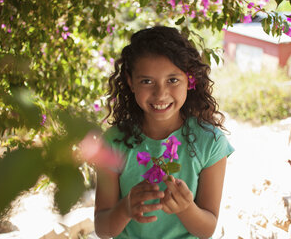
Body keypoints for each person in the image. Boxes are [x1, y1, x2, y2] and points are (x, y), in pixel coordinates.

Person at [94, 26, 234, 239]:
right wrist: (125, 208)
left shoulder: (211, 142)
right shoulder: (113, 142)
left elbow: (207, 230)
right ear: (131, 82)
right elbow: (102, 229)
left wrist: (186, 208)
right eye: (147, 81)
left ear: (190, 80)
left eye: (172, 80)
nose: (160, 94)